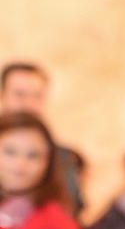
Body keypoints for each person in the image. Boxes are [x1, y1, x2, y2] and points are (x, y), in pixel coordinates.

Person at [0, 61, 84, 215]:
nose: (29, 104)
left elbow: (71, 210)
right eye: (20, 94)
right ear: (3, 95)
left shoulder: (62, 157)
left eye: (37, 96)